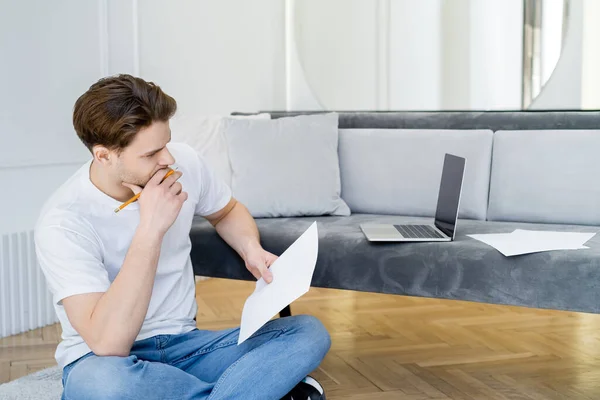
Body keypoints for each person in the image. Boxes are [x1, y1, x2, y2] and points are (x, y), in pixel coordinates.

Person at [34, 74, 330, 400]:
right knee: (98, 386)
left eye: (167, 144)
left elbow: (226, 211)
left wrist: (250, 248)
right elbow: (108, 343)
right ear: (104, 155)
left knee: (307, 333)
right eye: (151, 154)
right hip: (106, 362)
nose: (169, 160)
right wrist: (151, 228)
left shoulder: (184, 161)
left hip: (188, 347)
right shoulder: (63, 221)